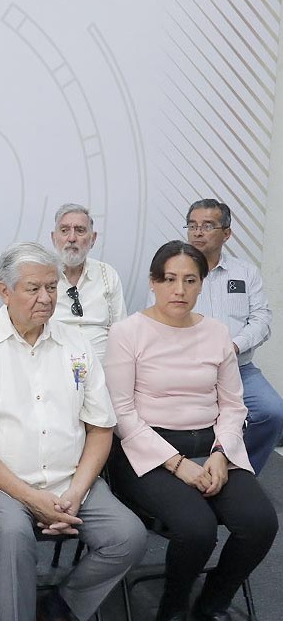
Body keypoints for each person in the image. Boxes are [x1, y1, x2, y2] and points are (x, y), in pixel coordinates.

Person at [0, 242, 146, 621]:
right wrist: (30, 497)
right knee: (13, 537)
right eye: (33, 288)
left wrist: (76, 491)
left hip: (70, 481)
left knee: (128, 537)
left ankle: (61, 607)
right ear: (4, 291)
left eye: (52, 287)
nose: (46, 298)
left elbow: (100, 428)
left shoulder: (76, 343)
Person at [106, 240, 278, 621]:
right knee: (197, 529)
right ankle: (173, 608)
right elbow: (121, 414)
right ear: (153, 282)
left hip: (212, 448)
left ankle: (210, 605)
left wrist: (221, 453)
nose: (179, 290)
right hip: (148, 452)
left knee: (261, 524)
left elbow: (233, 405)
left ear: (202, 284)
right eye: (169, 279)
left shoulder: (217, 332)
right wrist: (176, 463)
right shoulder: (127, 332)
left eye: (190, 280)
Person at [184, 198, 283, 473]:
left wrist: (235, 346)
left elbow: (262, 320)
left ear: (226, 233)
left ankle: (238, 472)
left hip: (239, 368)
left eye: (207, 226)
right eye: (192, 225)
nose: (198, 232)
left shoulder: (245, 272)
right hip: (189, 368)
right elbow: (158, 321)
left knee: (272, 412)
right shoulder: (175, 272)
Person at [50, 203, 127, 363]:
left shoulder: (107, 274)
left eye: (80, 230)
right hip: (55, 367)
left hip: (102, 368)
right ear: (53, 238)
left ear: (93, 239)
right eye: (64, 230)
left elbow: (121, 332)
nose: (72, 238)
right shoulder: (42, 277)